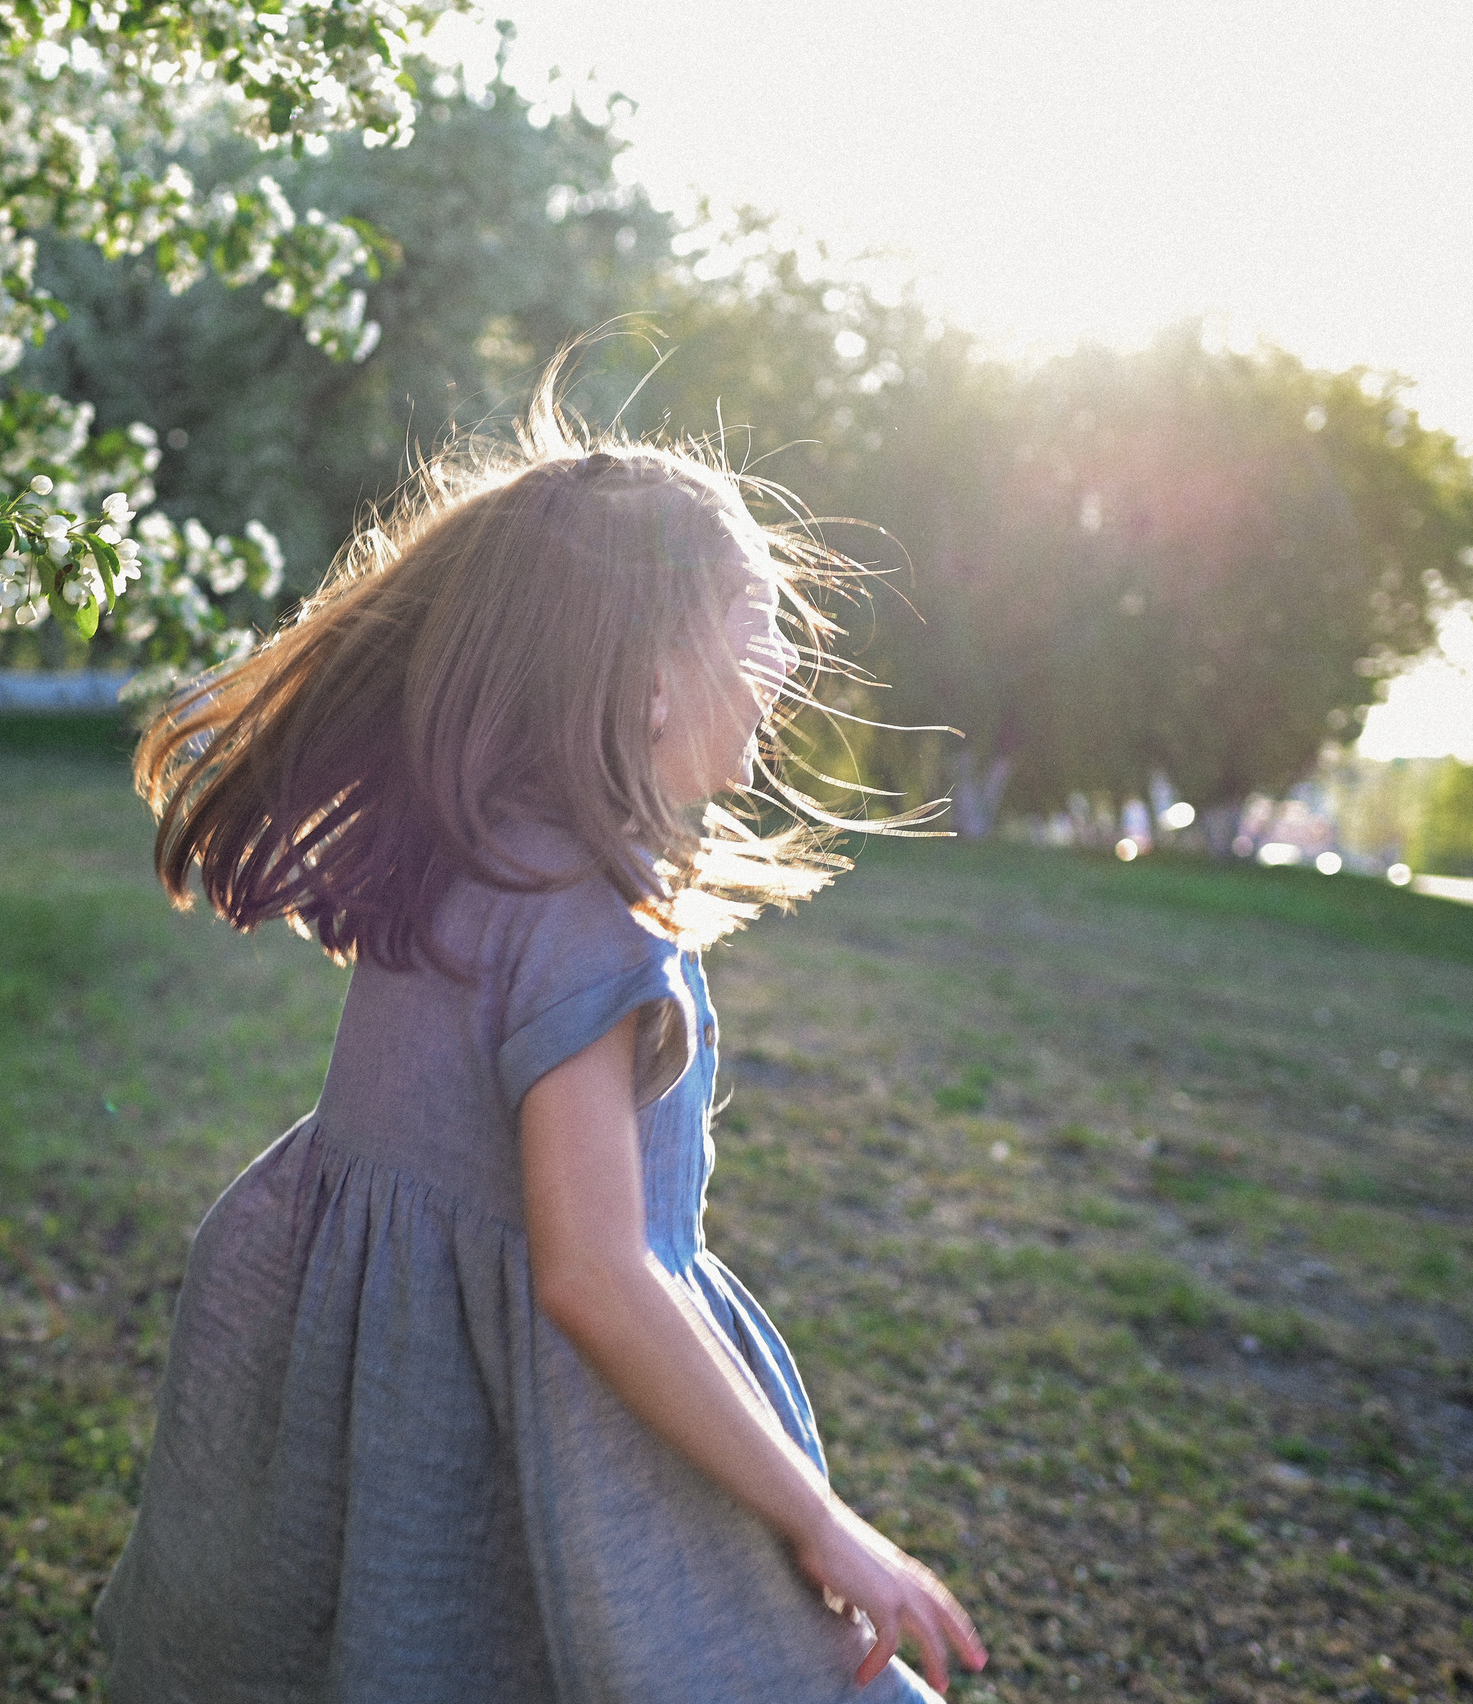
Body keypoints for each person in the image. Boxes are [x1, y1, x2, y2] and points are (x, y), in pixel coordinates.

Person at [97, 390, 987, 1703]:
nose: (790, 667)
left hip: (412, 1404)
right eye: (761, 629)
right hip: (544, 1417)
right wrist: (821, 1520)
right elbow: (594, 1278)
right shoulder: (589, 928)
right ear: (645, 679)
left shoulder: (474, 855)